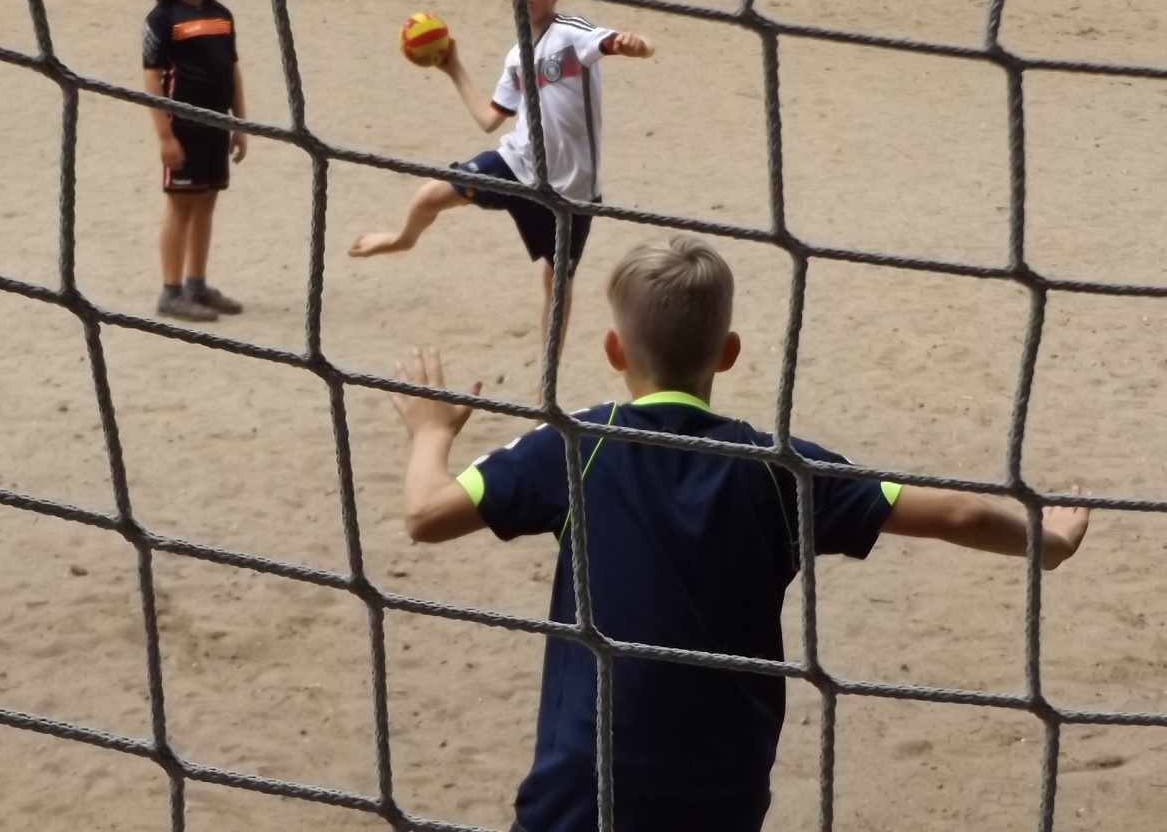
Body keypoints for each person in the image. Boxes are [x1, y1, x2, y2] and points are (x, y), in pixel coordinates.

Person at [389, 235, 1091, 832]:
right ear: (727, 352)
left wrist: (430, 432)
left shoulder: (575, 444)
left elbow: (424, 514)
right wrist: (1049, 545)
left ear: (612, 348)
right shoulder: (775, 469)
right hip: (721, 788)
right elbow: (958, 514)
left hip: (590, 786)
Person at [349, 0, 653, 391]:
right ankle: (401, 238)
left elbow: (618, 43)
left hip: (569, 191)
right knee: (432, 192)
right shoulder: (517, 56)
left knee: (556, 283)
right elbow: (490, 119)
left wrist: (637, 43)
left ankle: (544, 382)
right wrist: (453, 67)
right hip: (517, 165)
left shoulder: (571, 34)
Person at [142, 0, 247, 322]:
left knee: (206, 202)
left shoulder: (222, 16)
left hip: (217, 125)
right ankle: (170, 292)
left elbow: (233, 70)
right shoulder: (160, 19)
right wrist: (164, 135)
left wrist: (240, 123)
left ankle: (197, 284)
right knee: (180, 206)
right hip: (182, 126)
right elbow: (151, 78)